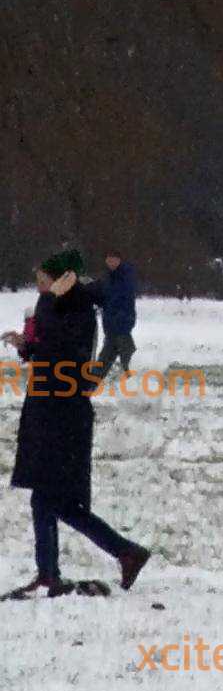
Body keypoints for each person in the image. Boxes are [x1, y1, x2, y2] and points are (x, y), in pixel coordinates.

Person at [3, 251, 151, 598]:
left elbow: (67, 355)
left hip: (65, 412)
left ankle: (62, 571)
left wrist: (39, 337)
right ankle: (69, 568)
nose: (39, 283)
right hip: (45, 407)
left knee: (53, 500)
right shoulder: (49, 304)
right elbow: (45, 350)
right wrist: (26, 346)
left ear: (65, 278)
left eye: (44, 277)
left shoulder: (79, 309)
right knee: (50, 499)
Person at [96, 250, 138, 378]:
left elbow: (123, 295)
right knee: (107, 355)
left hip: (122, 322)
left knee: (123, 351)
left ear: (119, 260)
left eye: (113, 259)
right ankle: (92, 383)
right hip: (110, 324)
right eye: (108, 259)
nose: (110, 262)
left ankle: (128, 377)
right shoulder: (108, 276)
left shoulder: (125, 274)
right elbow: (104, 295)